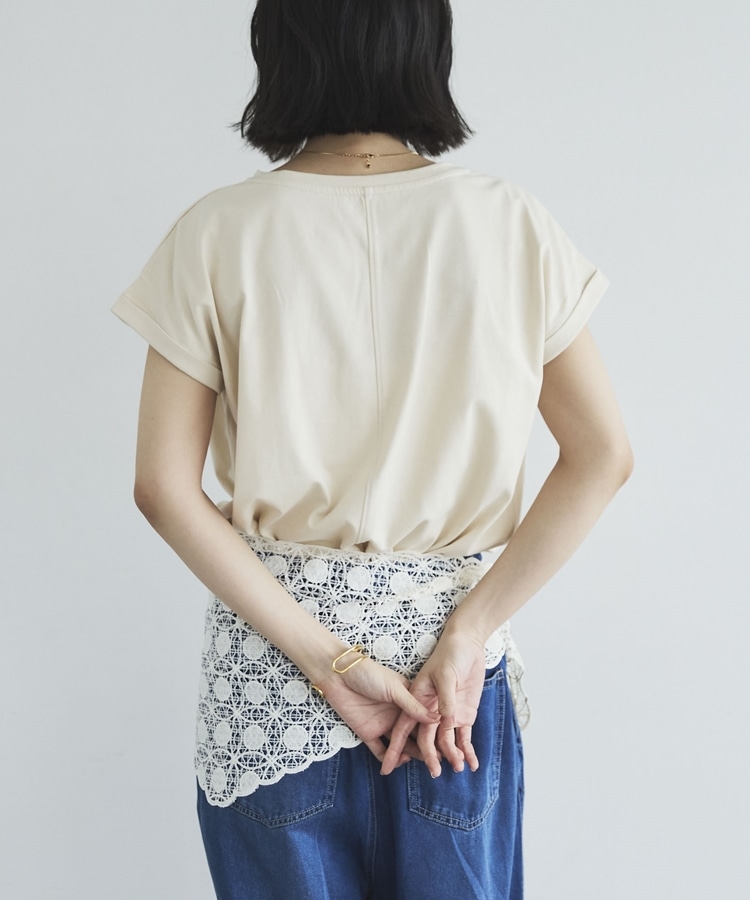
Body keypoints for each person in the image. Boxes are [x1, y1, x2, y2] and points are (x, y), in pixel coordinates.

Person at [112, 0, 633, 897]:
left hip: (273, 681)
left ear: (279, 50)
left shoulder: (217, 231)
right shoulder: (509, 223)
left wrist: (331, 662)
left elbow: (162, 487)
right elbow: (602, 456)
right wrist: (469, 632)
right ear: (426, 49)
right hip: (450, 686)